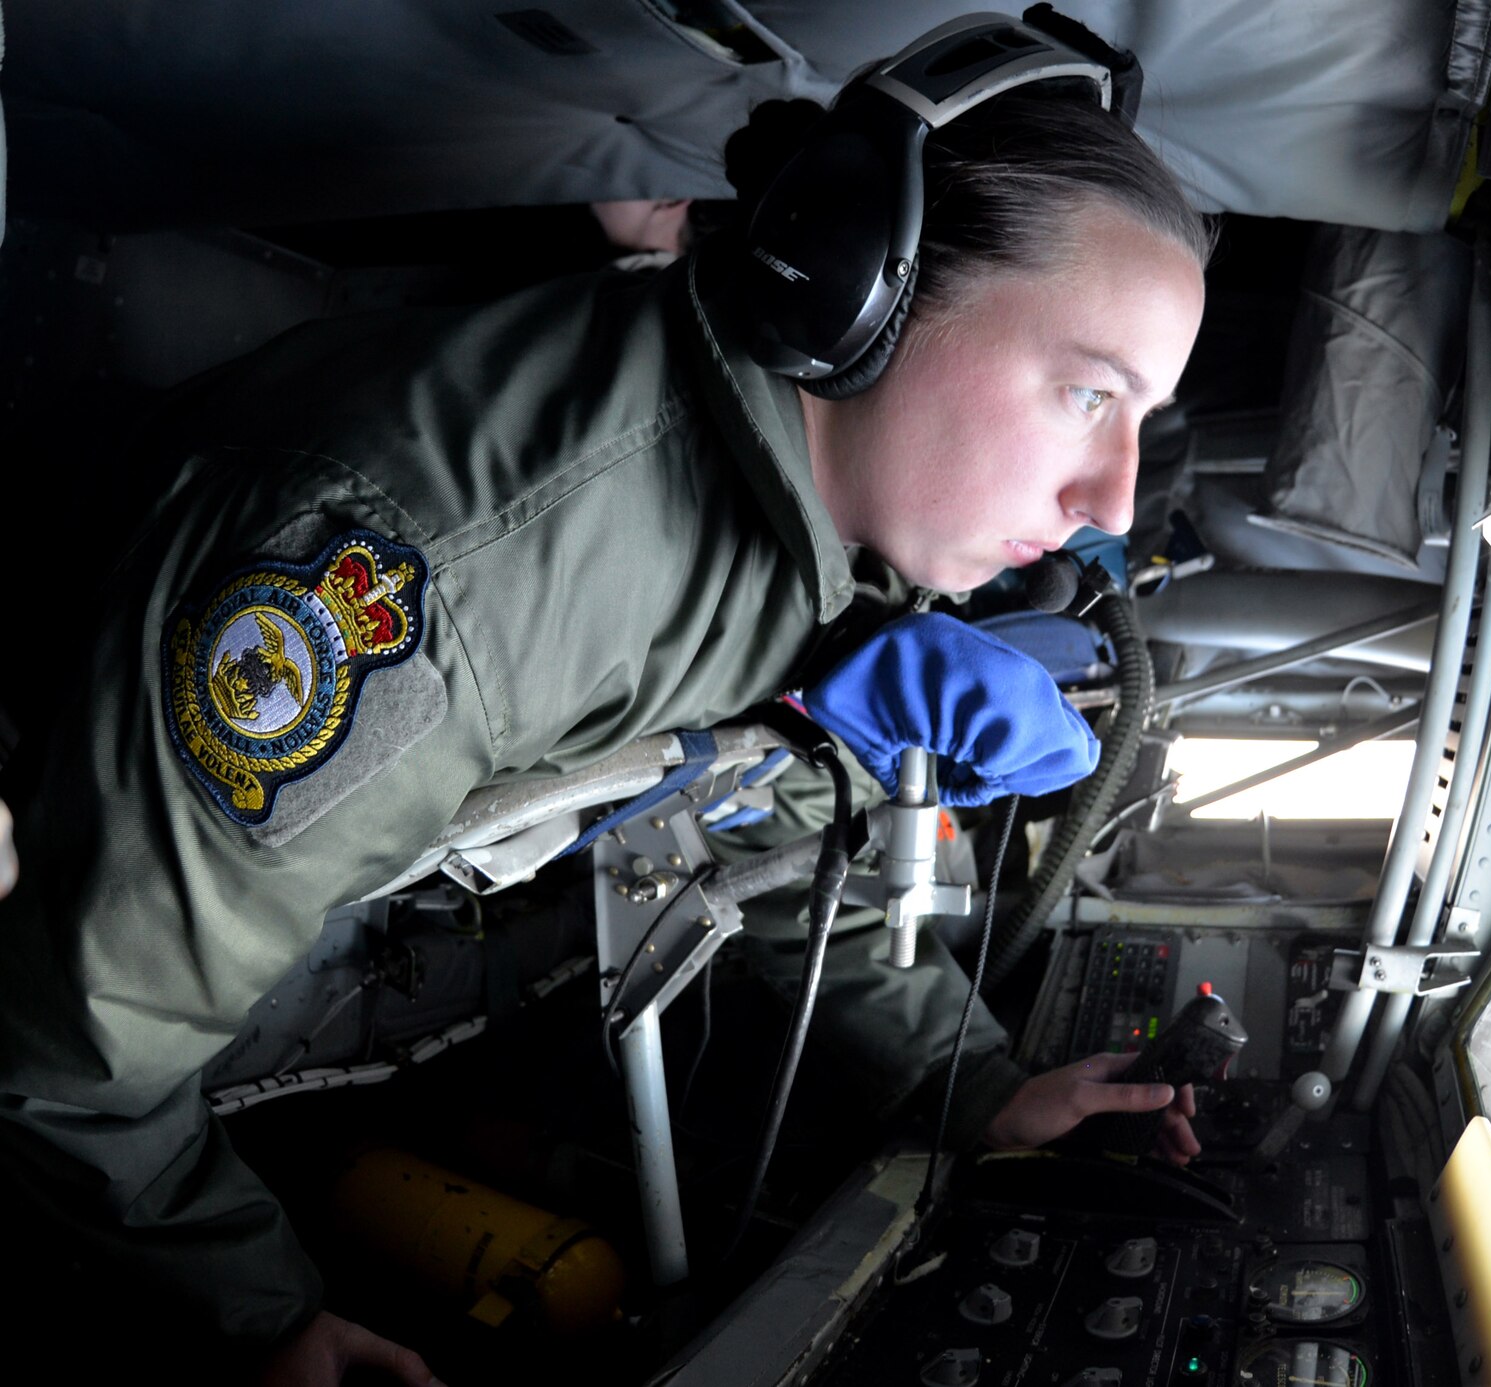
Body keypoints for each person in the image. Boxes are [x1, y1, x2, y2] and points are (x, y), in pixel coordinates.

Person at [0, 26, 1210, 1387]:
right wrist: (255, 1315)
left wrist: (978, 1083)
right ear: (862, 294)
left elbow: (774, 819)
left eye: (1142, 419)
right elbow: (74, 1057)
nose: (1109, 504)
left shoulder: (817, 533)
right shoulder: (437, 578)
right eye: (1087, 392)